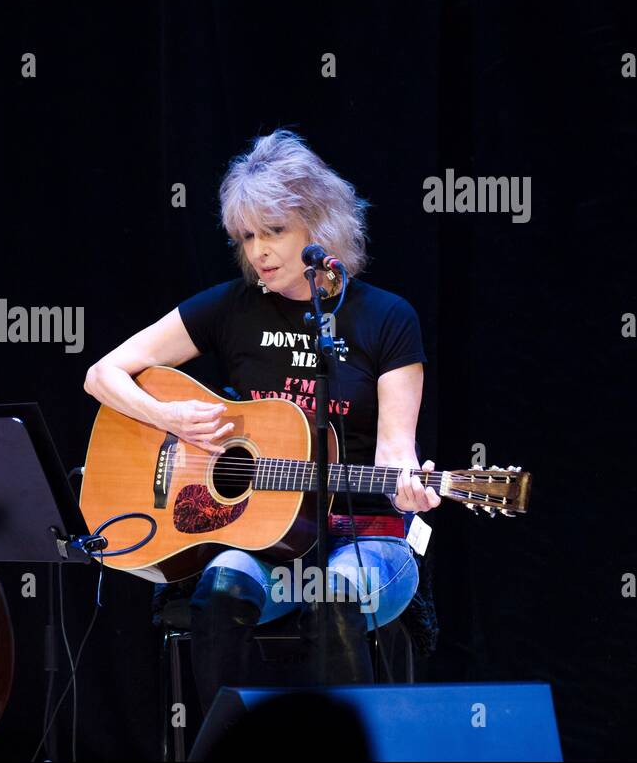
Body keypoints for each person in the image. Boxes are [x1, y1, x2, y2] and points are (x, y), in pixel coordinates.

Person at [84, 129, 440, 712]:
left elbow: (395, 453)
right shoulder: (231, 306)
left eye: (273, 232)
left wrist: (410, 485)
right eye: (246, 236)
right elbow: (102, 375)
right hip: (268, 540)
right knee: (219, 589)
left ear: (320, 228)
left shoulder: (387, 319)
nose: (258, 252)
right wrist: (168, 416)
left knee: (333, 595)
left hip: (366, 540)